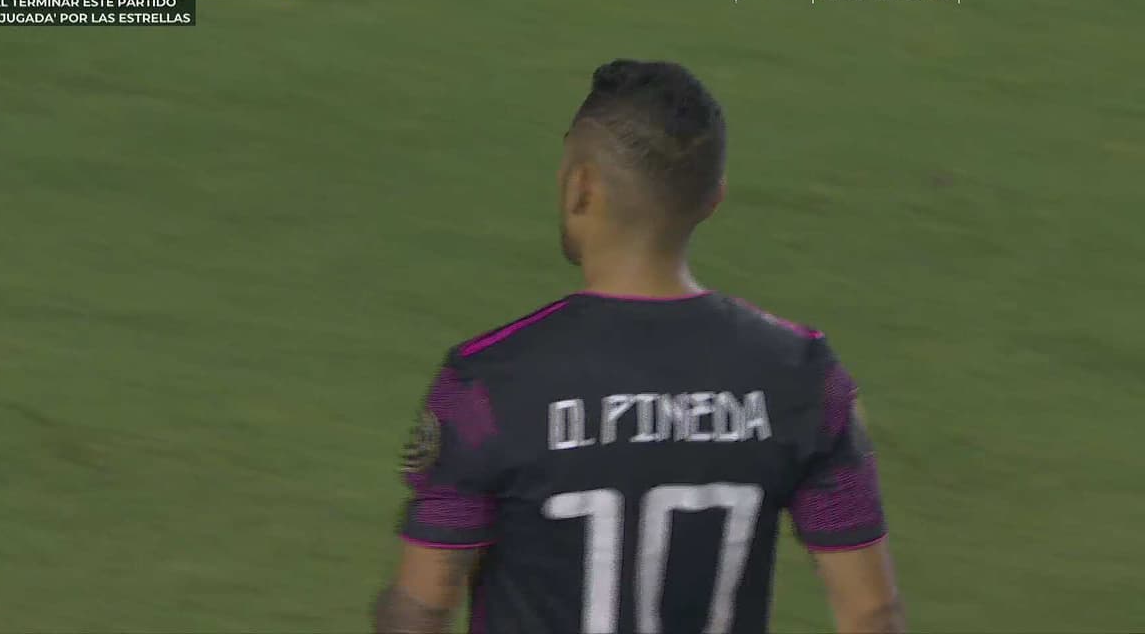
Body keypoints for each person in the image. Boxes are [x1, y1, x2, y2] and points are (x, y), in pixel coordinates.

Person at [372, 60, 904, 634]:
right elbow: (871, 612)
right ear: (714, 198)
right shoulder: (803, 377)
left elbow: (425, 605)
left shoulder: (486, 385)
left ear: (581, 187)